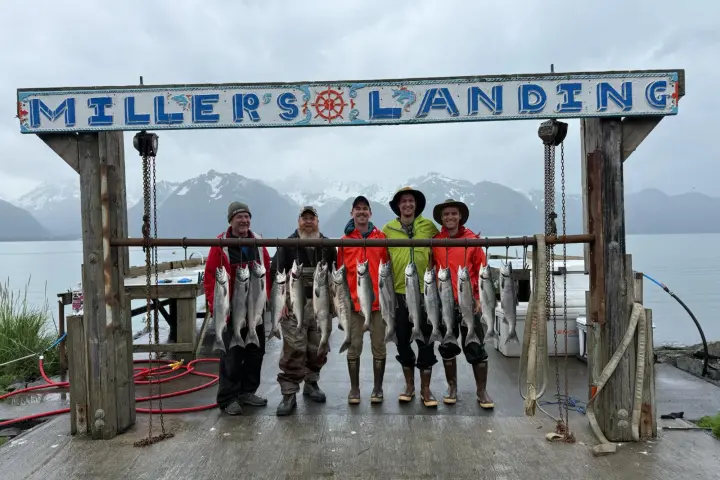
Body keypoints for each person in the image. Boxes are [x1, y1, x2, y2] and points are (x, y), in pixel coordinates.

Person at [203, 202, 272, 415]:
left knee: (255, 352)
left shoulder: (258, 243)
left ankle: (247, 392)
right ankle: (228, 398)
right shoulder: (220, 244)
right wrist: (215, 307)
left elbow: (267, 271)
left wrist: (268, 301)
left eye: (247, 217)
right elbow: (210, 277)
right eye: (239, 217)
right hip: (231, 310)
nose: (244, 220)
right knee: (232, 354)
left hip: (255, 309)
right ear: (231, 220)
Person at [272, 206, 338, 416]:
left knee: (318, 347)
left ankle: (311, 383)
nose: (308, 222)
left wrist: (335, 304)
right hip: (293, 306)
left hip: (320, 306)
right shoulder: (287, 245)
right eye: (304, 218)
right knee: (294, 348)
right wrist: (279, 303)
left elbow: (336, 278)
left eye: (312, 218)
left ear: (318, 221)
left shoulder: (327, 246)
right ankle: (289, 393)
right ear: (298, 221)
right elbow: (277, 276)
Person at [431, 198, 495, 409]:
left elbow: (481, 271)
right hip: (444, 304)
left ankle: (481, 390)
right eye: (446, 214)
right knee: (447, 346)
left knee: (475, 345)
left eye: (454, 214)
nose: (450, 217)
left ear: (460, 217)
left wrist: (478, 299)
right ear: (441, 218)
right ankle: (452, 387)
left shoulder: (473, 241)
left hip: (469, 303)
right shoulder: (435, 242)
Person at [381, 187, 440, 407]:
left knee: (426, 340)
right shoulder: (388, 229)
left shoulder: (429, 227)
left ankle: (426, 389)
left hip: (426, 292)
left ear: (416, 205)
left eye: (411, 201)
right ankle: (409, 385)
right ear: (398, 205)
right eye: (403, 201)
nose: (407, 204)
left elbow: (443, 250)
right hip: (397, 293)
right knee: (402, 341)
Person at [337, 195, 389, 404]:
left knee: (379, 346)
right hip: (353, 304)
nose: (361, 212)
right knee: (354, 346)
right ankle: (355, 389)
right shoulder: (344, 242)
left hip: (378, 305)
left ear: (370, 213)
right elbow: (339, 274)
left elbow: (387, 268)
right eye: (357, 209)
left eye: (365, 208)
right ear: (352, 213)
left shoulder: (382, 238)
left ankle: (377, 389)